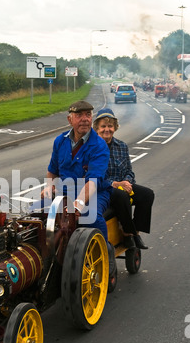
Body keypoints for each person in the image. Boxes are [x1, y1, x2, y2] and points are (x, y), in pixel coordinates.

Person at [43, 100, 116, 272]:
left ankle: (106, 253)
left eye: (88, 115)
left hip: (95, 192)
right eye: (79, 115)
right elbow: (52, 170)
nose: (84, 119)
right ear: (70, 120)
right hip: (65, 192)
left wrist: (79, 203)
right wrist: (48, 188)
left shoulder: (99, 146)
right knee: (36, 213)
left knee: (92, 217)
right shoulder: (60, 141)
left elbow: (93, 181)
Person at [93, 108, 154, 249]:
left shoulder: (121, 146)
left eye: (110, 126)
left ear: (115, 127)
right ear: (97, 128)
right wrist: (115, 184)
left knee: (147, 195)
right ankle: (128, 235)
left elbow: (129, 171)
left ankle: (136, 232)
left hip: (123, 186)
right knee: (121, 195)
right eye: (103, 126)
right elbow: (94, 176)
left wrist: (127, 182)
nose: (106, 129)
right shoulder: (92, 148)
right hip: (104, 188)